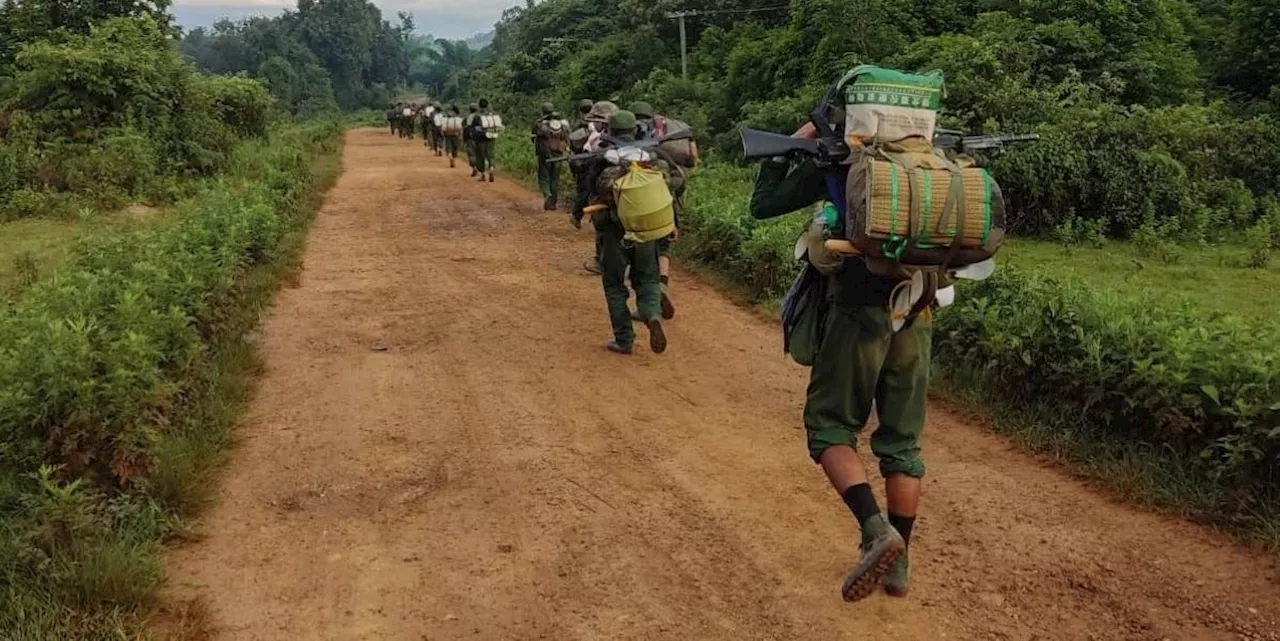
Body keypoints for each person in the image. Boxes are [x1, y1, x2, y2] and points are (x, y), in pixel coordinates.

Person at [748, 120, 924, 601]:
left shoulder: (838, 160)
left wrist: (786, 151)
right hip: (916, 309)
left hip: (856, 311)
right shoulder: (925, 162)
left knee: (828, 427)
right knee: (902, 443)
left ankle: (874, 528)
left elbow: (763, 206)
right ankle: (899, 566)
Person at [574, 110, 670, 355]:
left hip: (614, 231)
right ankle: (651, 315)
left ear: (610, 131)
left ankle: (624, 339)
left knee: (614, 284)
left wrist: (577, 213)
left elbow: (586, 189)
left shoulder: (604, 157)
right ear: (634, 130)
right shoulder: (649, 155)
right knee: (647, 279)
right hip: (645, 229)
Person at [629, 100, 680, 320]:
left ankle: (648, 306)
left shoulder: (627, 146)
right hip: (667, 206)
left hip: (641, 211)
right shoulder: (662, 140)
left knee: (643, 259)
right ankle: (662, 284)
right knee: (664, 248)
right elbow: (680, 179)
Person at [571, 100, 615, 275]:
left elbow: (588, 161)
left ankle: (600, 261)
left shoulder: (598, 138)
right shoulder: (636, 138)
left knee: (602, 224)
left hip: (605, 189)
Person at [531, 102, 565, 210]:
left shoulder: (539, 123)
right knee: (555, 179)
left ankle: (547, 194)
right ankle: (553, 204)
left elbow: (533, 136)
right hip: (558, 154)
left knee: (544, 176)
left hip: (545, 154)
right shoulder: (561, 123)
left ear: (543, 111)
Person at [465, 98, 499, 182]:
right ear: (487, 104)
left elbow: (471, 127)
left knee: (480, 156)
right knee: (490, 154)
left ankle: (483, 174)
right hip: (491, 137)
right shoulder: (492, 114)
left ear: (479, 105)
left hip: (480, 139)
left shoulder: (477, 115)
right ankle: (491, 168)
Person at [441, 104, 464, 168]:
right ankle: (453, 159)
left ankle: (450, 158)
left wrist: (443, 133)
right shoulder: (457, 116)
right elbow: (460, 127)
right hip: (456, 135)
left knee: (448, 149)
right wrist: (460, 135)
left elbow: (443, 127)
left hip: (448, 135)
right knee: (455, 149)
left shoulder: (446, 115)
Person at [463, 103, 481, 176]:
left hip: (470, 137)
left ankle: (475, 168)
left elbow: (464, 128)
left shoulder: (468, 117)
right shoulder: (480, 116)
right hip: (480, 137)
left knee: (471, 153)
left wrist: (464, 139)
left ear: (470, 109)